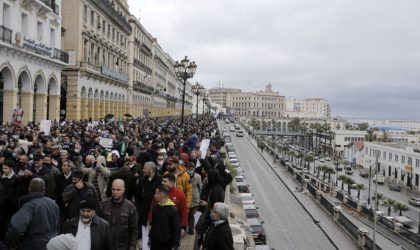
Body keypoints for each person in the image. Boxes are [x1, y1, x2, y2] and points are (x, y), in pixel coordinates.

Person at [5, 178, 60, 250]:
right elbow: (57, 226)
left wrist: (10, 243)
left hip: (31, 246)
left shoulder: (29, 206)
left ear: (29, 189)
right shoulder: (53, 204)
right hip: (51, 245)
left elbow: (16, 228)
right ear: (44, 189)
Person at [100, 179, 138, 250]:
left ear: (124, 190)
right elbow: (98, 227)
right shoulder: (103, 205)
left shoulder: (131, 207)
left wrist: (132, 247)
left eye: (118, 190)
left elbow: (134, 229)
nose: (115, 192)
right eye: (113, 189)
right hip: (106, 246)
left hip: (123, 246)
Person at [136, 161, 161, 250]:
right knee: (145, 233)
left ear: (151, 170)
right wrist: (139, 208)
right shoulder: (142, 180)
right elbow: (137, 196)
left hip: (156, 213)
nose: (143, 170)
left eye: (145, 168)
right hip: (144, 213)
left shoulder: (160, 181)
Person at [148, 185, 181, 250]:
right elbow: (153, 224)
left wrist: (175, 244)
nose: (154, 195)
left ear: (162, 194)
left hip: (167, 244)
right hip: (155, 243)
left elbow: (176, 228)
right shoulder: (156, 207)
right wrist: (150, 237)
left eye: (156, 193)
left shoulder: (173, 209)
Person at [186, 162, 202, 234]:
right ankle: (186, 226)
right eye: (189, 169)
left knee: (192, 214)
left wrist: (200, 198)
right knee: (187, 214)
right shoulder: (184, 176)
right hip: (186, 198)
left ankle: (191, 228)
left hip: (195, 198)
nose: (190, 170)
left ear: (194, 169)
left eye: (192, 169)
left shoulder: (198, 177)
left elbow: (200, 187)